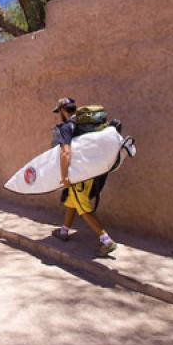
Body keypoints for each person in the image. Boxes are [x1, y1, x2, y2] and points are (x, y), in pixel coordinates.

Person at [50, 97, 118, 256]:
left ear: (62, 111)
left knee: (83, 208)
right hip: (92, 170)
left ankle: (106, 241)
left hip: (78, 175)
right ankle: (64, 231)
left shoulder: (66, 127)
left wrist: (65, 176)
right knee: (72, 201)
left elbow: (65, 152)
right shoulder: (87, 125)